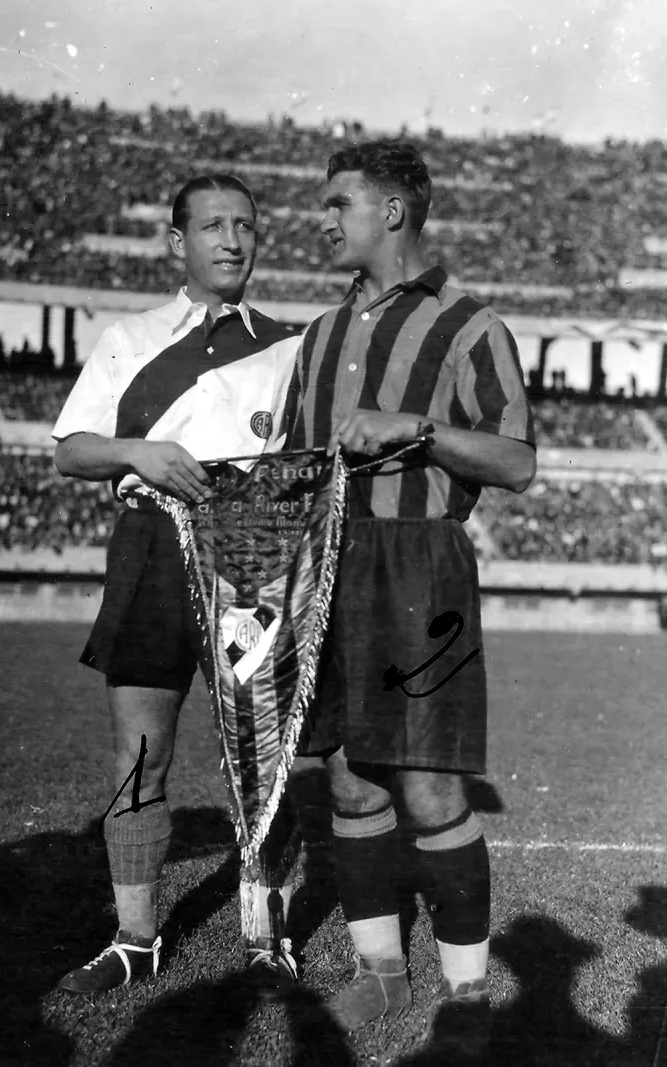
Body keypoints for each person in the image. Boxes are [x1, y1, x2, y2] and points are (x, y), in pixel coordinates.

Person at [284, 140, 536, 1058]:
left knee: (429, 784)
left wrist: (421, 431)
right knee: (347, 775)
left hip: (419, 563)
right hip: (325, 563)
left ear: (393, 212)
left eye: (338, 203)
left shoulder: (472, 327)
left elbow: (516, 462)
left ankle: (467, 990)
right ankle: (382, 970)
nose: (324, 220)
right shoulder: (316, 334)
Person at [51, 174, 303, 995]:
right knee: (139, 752)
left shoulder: (289, 344)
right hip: (153, 549)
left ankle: (267, 935)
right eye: (213, 226)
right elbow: (71, 449)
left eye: (245, 226)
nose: (232, 240)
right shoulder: (131, 336)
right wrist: (138, 453)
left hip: (252, 560)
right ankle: (135, 936)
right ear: (178, 242)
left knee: (265, 758)